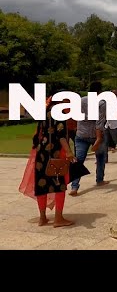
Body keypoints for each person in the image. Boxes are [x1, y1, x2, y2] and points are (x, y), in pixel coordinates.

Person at [18, 97, 75, 227]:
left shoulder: (45, 111)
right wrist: (69, 152)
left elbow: (38, 133)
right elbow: (60, 135)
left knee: (42, 185)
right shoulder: (59, 114)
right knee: (59, 185)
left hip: (41, 153)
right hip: (55, 153)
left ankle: (42, 218)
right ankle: (58, 219)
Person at [69, 81, 108, 196]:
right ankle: (99, 180)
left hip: (81, 134)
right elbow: (99, 122)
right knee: (100, 158)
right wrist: (98, 139)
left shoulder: (81, 100)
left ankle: (74, 187)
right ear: (100, 91)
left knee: (79, 160)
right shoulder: (101, 103)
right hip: (95, 135)